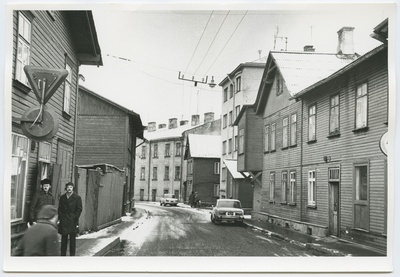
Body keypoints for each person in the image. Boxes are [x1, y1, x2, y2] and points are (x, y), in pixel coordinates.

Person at [58, 182, 82, 256]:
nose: (69, 189)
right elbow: (60, 209)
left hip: (72, 220)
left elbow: (79, 209)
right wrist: (61, 217)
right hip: (64, 220)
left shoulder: (77, 198)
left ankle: (72, 256)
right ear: (66, 188)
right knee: (64, 239)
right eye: (68, 187)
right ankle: (63, 255)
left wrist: (74, 217)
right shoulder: (62, 197)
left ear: (73, 188)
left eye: (71, 187)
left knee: (72, 240)